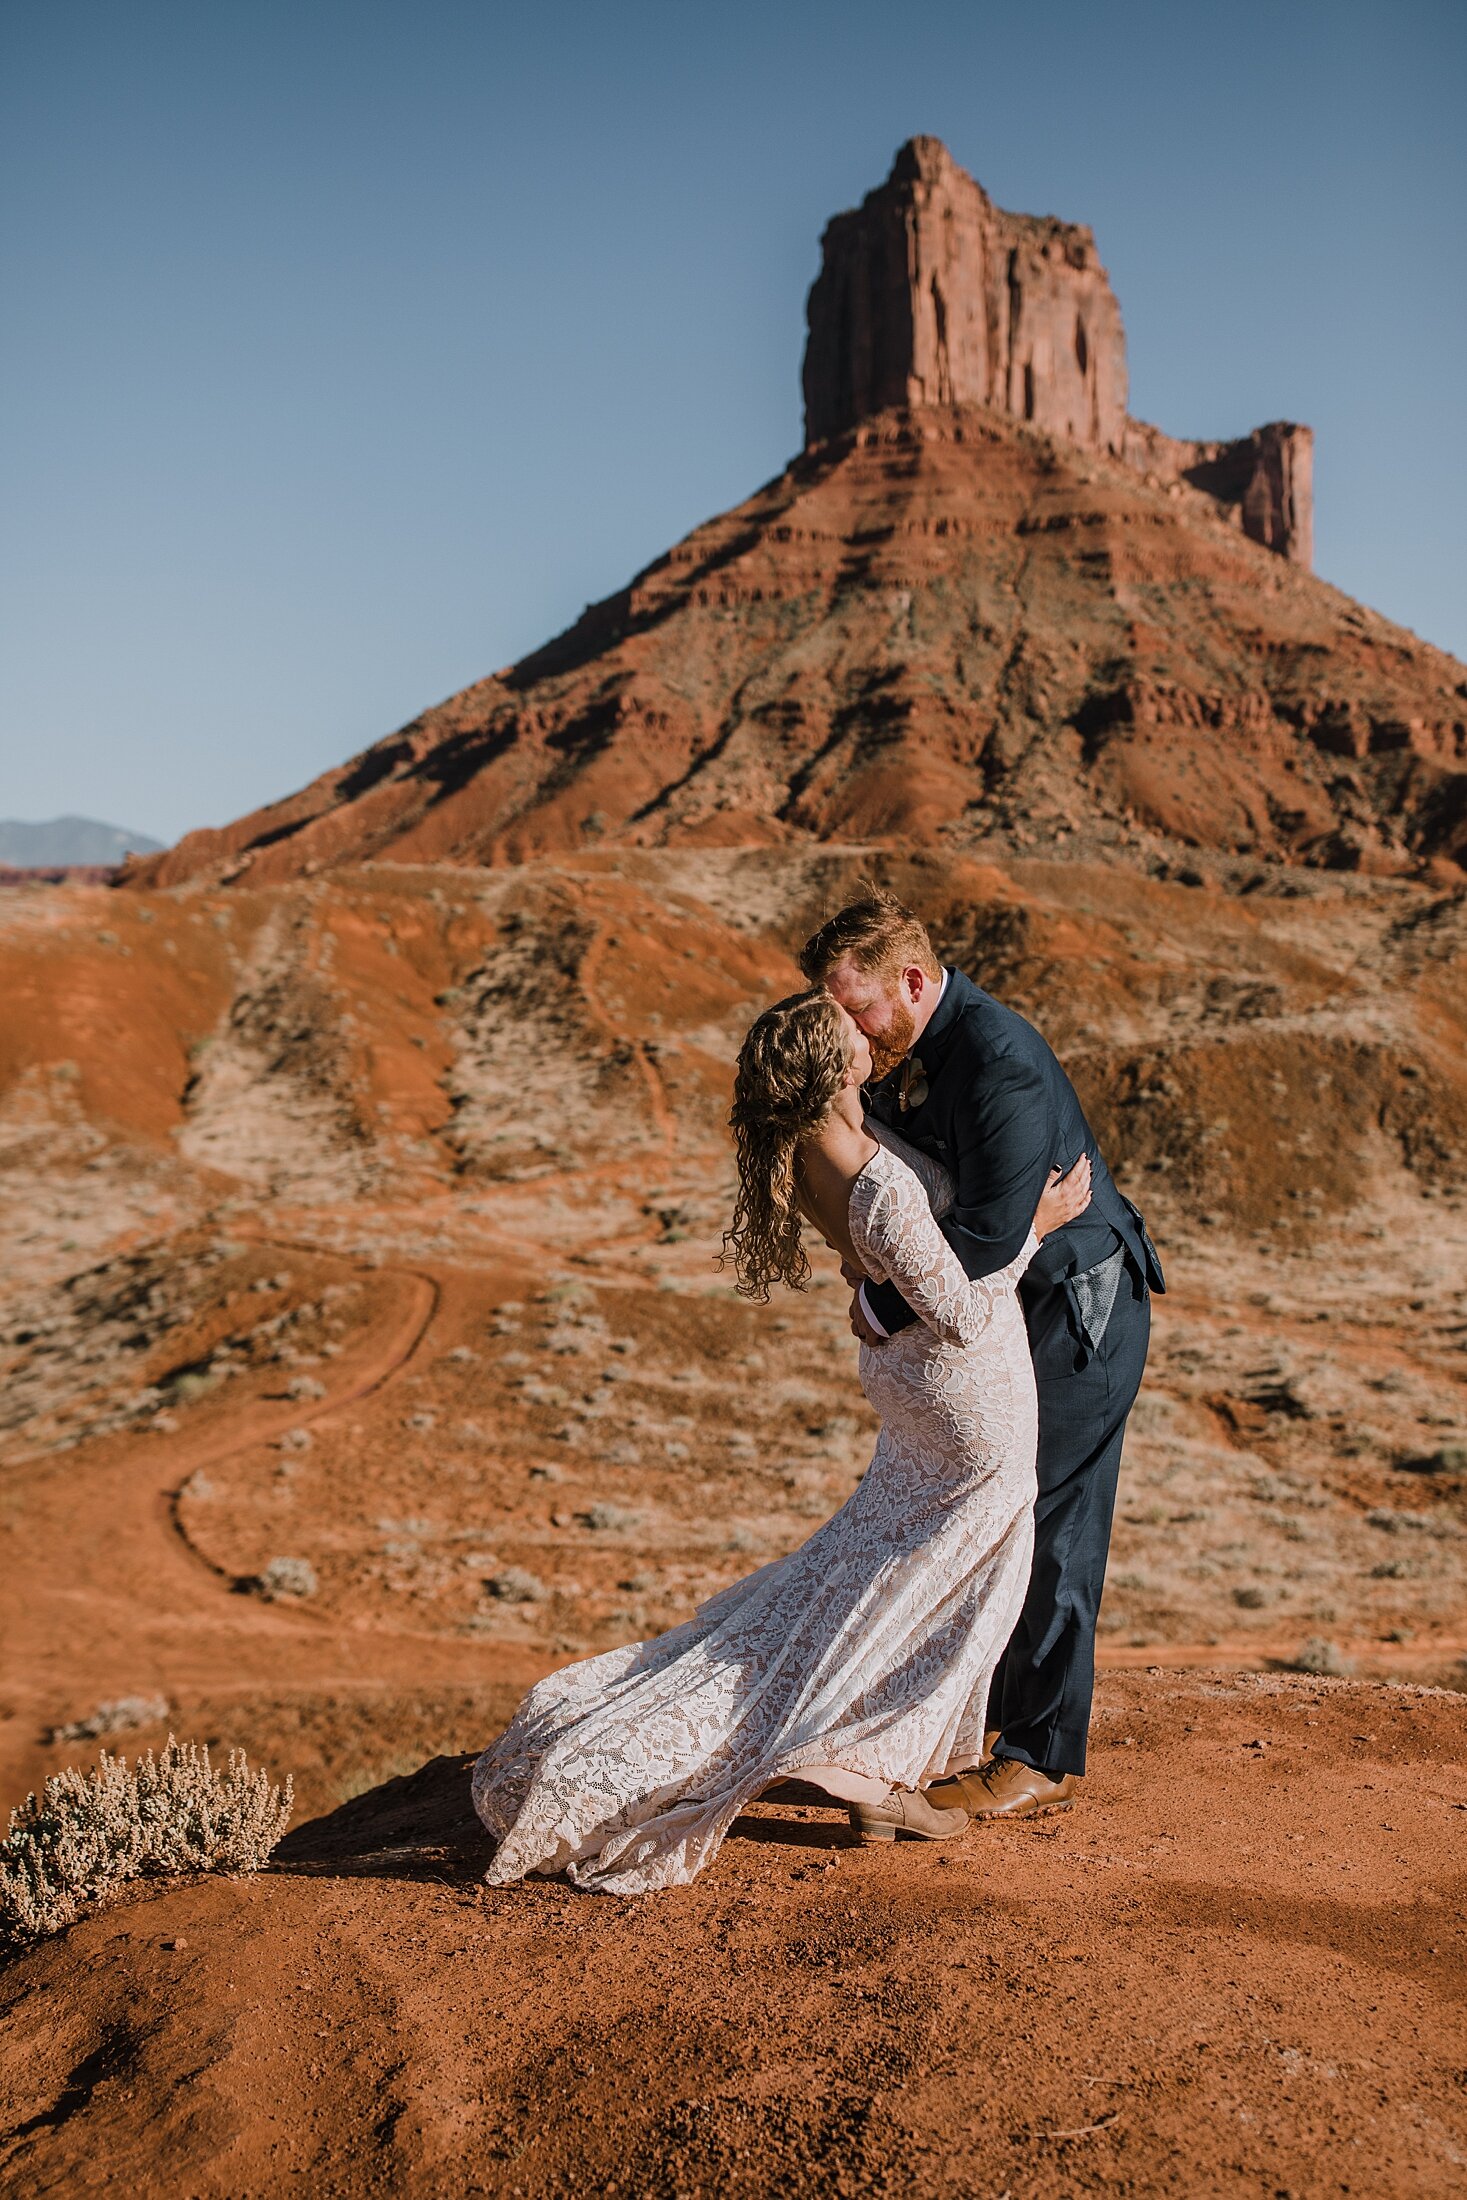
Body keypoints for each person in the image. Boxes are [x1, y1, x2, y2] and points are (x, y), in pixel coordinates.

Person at [469, 987, 1091, 1893]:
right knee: (960, 1565)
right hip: (964, 1391)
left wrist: (883, 1298)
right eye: (854, 1039)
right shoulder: (873, 1178)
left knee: (879, 1560)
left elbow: (880, 1276)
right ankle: (874, 1770)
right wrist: (1033, 1230)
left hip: (905, 1380)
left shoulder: (806, 1156)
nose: (870, 1042)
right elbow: (957, 1311)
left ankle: (857, 1744)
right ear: (832, 1068)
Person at [800, 891, 1164, 1819]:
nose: (848, 1027)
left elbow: (988, 1242)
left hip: (1075, 1308)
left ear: (913, 982)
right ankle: (969, 1722)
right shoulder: (914, 1048)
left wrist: (878, 1306)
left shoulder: (998, 1062)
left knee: (1047, 1515)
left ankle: (1039, 1757)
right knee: (989, 1508)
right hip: (1009, 1311)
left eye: (857, 1008)